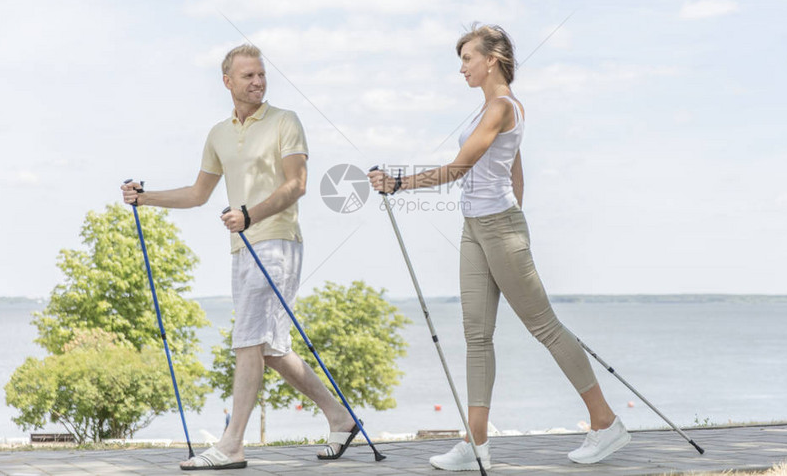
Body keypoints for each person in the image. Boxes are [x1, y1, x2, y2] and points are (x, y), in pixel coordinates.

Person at [368, 24, 630, 470]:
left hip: (499, 230)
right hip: (476, 228)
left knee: (544, 327)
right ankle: (476, 442)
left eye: (468, 58)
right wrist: (502, 217)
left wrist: (398, 183)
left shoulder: (503, 107)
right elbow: (515, 172)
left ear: (492, 59)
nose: (462, 67)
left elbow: (459, 167)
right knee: (476, 335)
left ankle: (605, 423)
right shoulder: (486, 110)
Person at [121, 44, 360, 471]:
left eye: (261, 75)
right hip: (243, 246)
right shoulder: (218, 134)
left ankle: (232, 445)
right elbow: (198, 194)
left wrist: (250, 214)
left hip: (278, 242)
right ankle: (340, 417)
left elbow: (298, 184)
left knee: (248, 340)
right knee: (269, 348)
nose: (258, 82)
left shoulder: (286, 121)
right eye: (248, 76)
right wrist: (145, 198)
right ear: (228, 82)